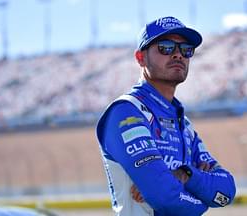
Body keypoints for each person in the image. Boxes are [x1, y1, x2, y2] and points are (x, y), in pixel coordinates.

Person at [96, 16, 236, 216]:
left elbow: (226, 191)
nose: (179, 54)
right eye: (166, 47)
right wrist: (202, 201)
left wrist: (186, 174)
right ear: (141, 58)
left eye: (186, 49)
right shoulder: (126, 111)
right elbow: (165, 197)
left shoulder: (184, 124)